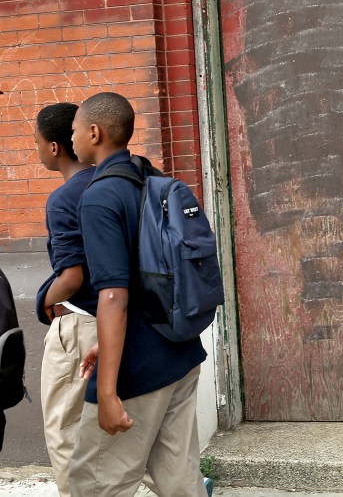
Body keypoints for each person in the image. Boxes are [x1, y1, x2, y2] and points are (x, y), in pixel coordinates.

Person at [69, 92, 210, 497]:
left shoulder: (97, 197)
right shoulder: (150, 179)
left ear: (94, 133)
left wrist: (109, 391)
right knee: (180, 480)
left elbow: (114, 296)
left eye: (75, 130)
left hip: (137, 373)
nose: (73, 138)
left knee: (94, 485)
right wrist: (106, 342)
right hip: (179, 353)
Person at [33, 102, 99, 496]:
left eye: (37, 142)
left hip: (80, 328)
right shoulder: (122, 180)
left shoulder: (64, 199)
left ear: (55, 146)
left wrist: (45, 300)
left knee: (65, 428)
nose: (37, 149)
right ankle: (183, 485)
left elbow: (72, 276)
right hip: (124, 317)